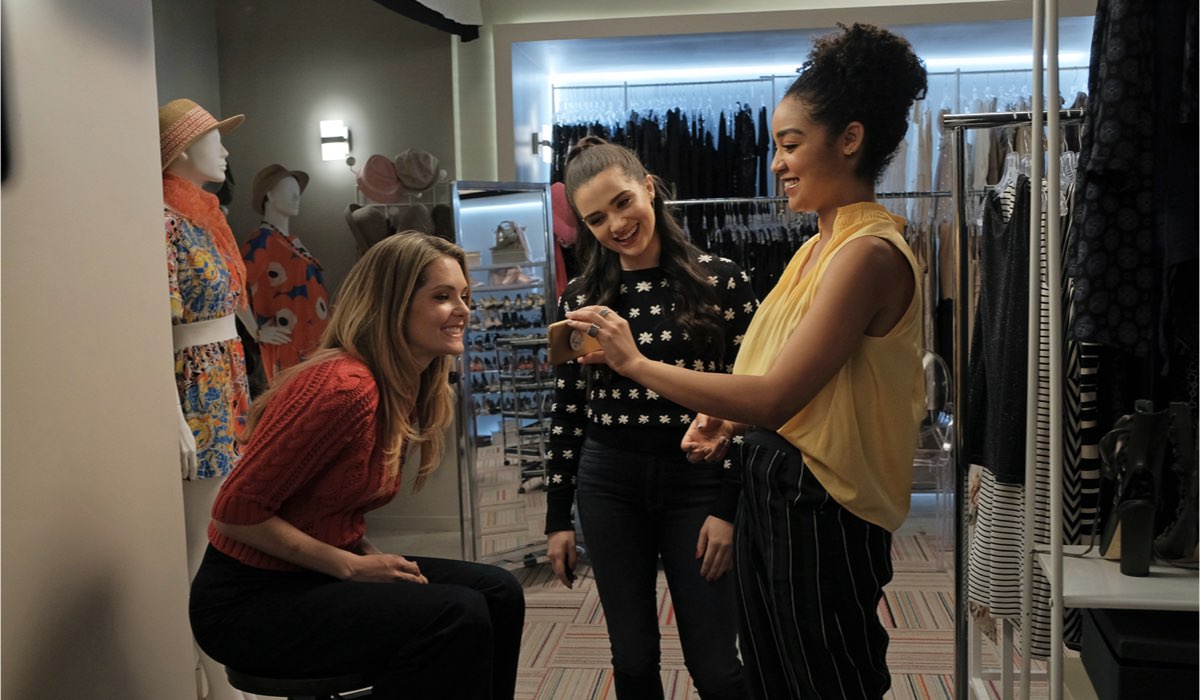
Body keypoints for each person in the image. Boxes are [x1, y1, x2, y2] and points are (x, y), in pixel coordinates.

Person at [562, 24, 928, 700]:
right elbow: (769, 379)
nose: (777, 164)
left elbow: (773, 397)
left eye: (790, 145)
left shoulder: (867, 254)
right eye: (775, 147)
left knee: (826, 678)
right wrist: (722, 423)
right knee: (772, 677)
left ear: (849, 139)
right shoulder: (818, 248)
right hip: (778, 492)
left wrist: (637, 364)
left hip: (825, 504)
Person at [189, 233, 526, 700]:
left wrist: (363, 553)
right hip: (247, 601)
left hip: (305, 577)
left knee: (498, 591)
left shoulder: (402, 385)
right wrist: (350, 566)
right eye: (442, 296)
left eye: (464, 296)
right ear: (393, 305)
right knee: (456, 613)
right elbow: (235, 511)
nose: (463, 310)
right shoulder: (345, 387)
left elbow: (332, 507)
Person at [545, 136, 756, 700]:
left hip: (699, 483)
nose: (615, 224)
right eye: (595, 218)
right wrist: (556, 518)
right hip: (608, 482)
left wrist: (729, 508)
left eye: (621, 202)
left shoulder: (723, 280)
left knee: (716, 665)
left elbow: (752, 401)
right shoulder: (581, 300)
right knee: (633, 660)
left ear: (649, 188)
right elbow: (567, 411)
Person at [160, 97, 267, 700]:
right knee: (200, 544)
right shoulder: (165, 220)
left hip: (224, 378)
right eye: (212, 139)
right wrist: (170, 414)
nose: (224, 150)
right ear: (180, 150)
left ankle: (219, 674)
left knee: (221, 531)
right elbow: (157, 324)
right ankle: (214, 683)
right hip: (194, 384)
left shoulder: (206, 216)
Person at [241, 163, 331, 382]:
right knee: (295, 403)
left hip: (314, 341)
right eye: (288, 190)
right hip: (290, 345)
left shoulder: (291, 242)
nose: (296, 197)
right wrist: (257, 332)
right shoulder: (260, 242)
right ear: (269, 195)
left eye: (297, 191)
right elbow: (233, 287)